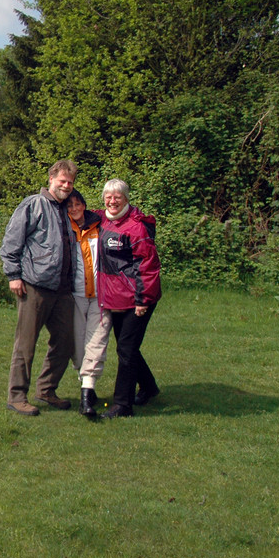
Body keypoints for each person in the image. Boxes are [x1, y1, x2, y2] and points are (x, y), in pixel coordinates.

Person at [0, 159, 77, 416]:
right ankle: (17, 396)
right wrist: (13, 275)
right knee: (26, 345)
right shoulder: (33, 204)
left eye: (70, 182)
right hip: (34, 286)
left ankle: (46, 389)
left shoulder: (70, 208)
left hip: (63, 290)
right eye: (62, 181)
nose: (66, 186)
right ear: (51, 179)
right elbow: (12, 242)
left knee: (65, 341)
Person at [95, 179, 162, 418]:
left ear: (126, 198)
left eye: (118, 197)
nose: (113, 201)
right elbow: (75, 209)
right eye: (108, 197)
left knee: (126, 349)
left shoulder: (136, 228)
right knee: (128, 348)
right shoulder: (101, 219)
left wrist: (142, 299)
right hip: (115, 298)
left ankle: (122, 405)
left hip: (138, 299)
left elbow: (148, 266)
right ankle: (149, 387)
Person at [65, 189, 107, 417]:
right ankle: (87, 386)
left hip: (102, 296)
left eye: (77, 204)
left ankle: (86, 396)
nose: (74, 209)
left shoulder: (100, 226)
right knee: (78, 347)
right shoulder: (63, 228)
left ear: (84, 204)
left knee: (97, 341)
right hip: (76, 295)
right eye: (69, 206)